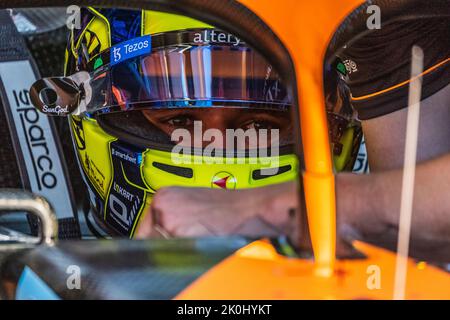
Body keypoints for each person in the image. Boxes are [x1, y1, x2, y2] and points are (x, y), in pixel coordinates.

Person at [136, 14, 450, 259]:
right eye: (180, 120)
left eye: (259, 125)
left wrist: (279, 208)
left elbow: (424, 236)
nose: (216, 147)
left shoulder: (387, 31)